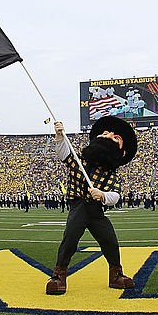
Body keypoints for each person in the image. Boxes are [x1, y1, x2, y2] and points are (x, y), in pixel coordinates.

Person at [46, 117, 138, 295]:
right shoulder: (80, 162)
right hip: (79, 207)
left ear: (122, 153)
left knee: (109, 240)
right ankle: (59, 275)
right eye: (104, 134)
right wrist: (59, 136)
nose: (108, 135)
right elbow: (64, 154)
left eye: (114, 137)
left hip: (96, 211)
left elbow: (116, 195)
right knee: (70, 239)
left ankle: (115, 274)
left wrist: (103, 195)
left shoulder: (111, 175)